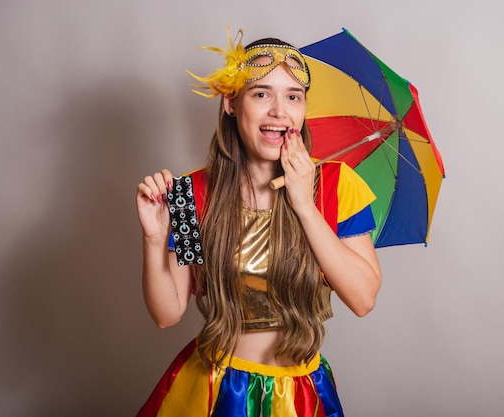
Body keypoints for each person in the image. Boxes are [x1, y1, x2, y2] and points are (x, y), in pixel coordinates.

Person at [135, 29, 382, 417]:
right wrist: (153, 239)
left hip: (300, 395)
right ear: (232, 103)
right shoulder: (190, 193)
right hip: (215, 389)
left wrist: (304, 205)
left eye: (293, 97)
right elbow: (167, 314)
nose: (279, 112)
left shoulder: (337, 185)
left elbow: (363, 299)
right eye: (262, 93)